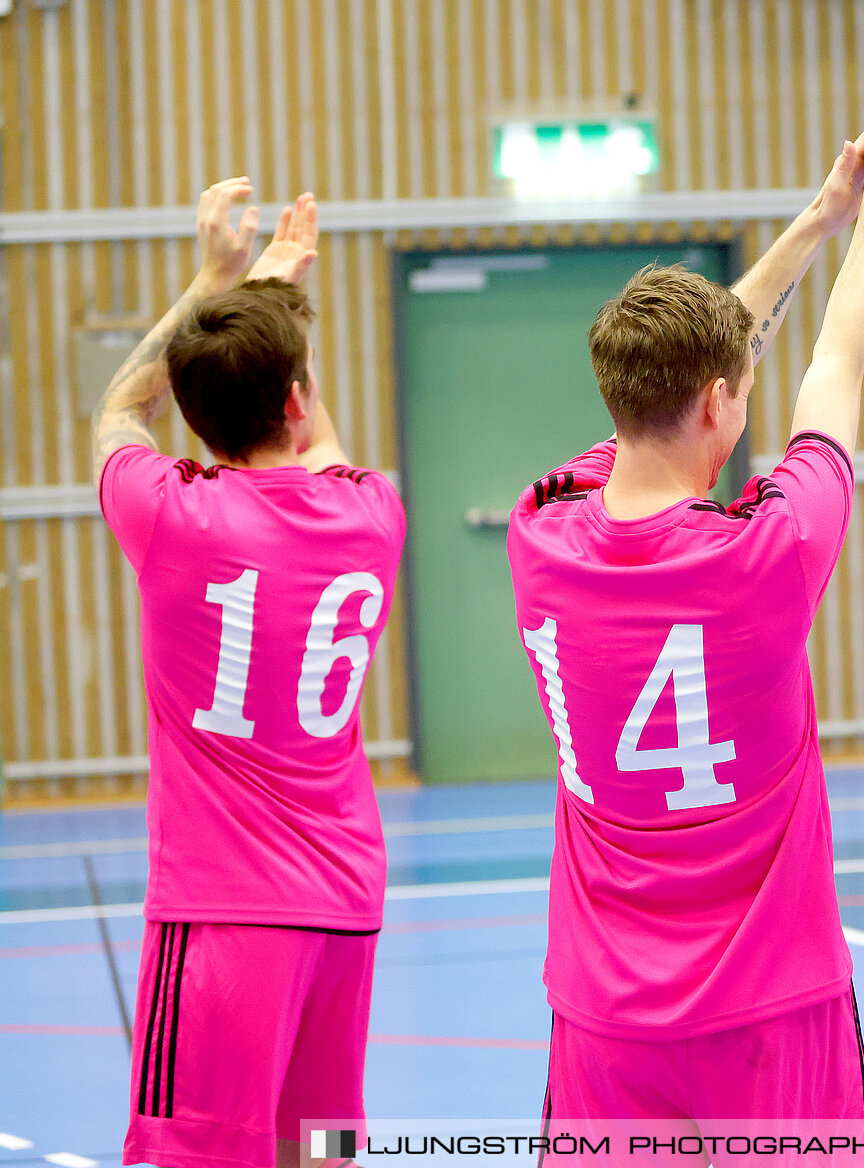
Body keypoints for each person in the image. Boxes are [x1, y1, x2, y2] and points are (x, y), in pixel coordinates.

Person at [505, 59, 864, 1164]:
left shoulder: (540, 532)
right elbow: (836, 356)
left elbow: (705, 362)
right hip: (773, 1006)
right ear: (719, 404)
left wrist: (811, 219)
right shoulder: (770, 548)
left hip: (607, 1018)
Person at [95, 182, 402, 1168]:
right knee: (324, 1150)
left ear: (194, 417)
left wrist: (218, 279)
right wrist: (275, 302)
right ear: (299, 397)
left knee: (196, 1153)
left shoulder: (169, 515)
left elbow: (117, 409)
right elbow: (321, 444)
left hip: (224, 915)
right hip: (347, 907)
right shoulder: (371, 516)